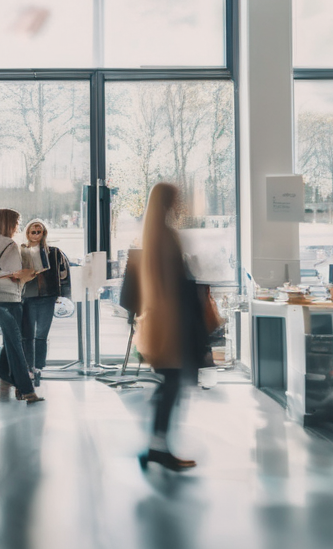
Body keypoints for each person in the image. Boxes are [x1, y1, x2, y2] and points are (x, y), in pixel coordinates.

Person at [135, 183, 207, 472]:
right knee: (173, 386)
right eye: (176, 199)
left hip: (160, 323)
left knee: (170, 386)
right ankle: (158, 448)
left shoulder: (152, 236)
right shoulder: (167, 237)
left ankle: (157, 446)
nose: (180, 203)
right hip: (174, 323)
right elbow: (178, 284)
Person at [0, 208, 42, 403]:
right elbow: (17, 272)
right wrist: (29, 272)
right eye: (16, 222)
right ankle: (27, 390)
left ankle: (9, 378)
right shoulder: (12, 245)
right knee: (16, 344)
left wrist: (6, 273)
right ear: (10, 223)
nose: (18, 226)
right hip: (11, 300)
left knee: (10, 343)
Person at [19, 219, 71, 385]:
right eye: (32, 232)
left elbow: (64, 275)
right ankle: (28, 367)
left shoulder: (54, 252)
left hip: (48, 297)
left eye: (38, 232)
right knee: (27, 335)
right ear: (27, 233)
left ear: (43, 233)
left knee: (41, 335)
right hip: (27, 297)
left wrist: (63, 296)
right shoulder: (22, 252)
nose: (35, 235)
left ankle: (38, 368)